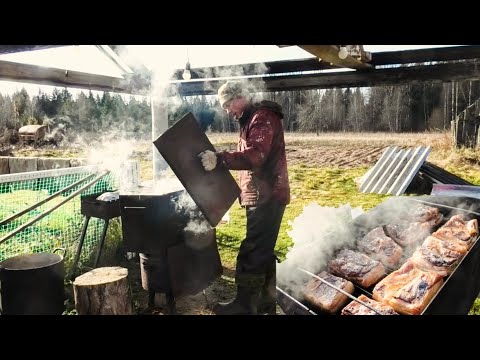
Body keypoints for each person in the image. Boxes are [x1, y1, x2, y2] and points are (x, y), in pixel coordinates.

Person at [198, 80, 290, 315]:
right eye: (225, 106)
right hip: (262, 194)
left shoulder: (262, 117)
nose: (228, 110)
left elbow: (256, 156)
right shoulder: (251, 118)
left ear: (242, 96)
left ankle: (244, 306)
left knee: (252, 250)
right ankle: (265, 303)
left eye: (229, 104)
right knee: (263, 250)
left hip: (266, 195)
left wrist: (220, 159)